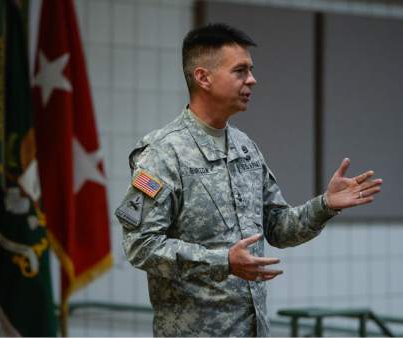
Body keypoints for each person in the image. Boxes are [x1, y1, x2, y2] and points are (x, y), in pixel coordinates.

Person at [115, 23, 383, 337]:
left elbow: (278, 228)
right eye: (240, 71)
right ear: (203, 77)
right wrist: (223, 261)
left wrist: (324, 205)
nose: (252, 80)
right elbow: (141, 246)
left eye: (250, 70)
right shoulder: (163, 153)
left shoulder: (245, 148)